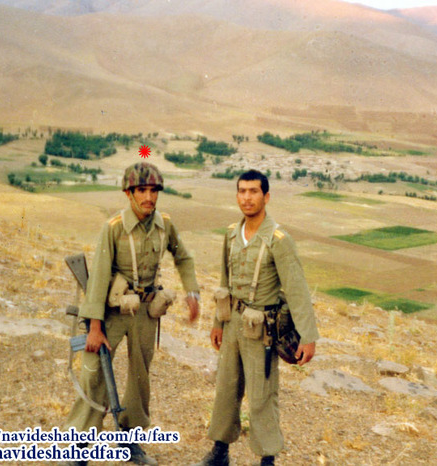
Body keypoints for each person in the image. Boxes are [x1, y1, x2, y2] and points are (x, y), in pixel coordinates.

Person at [63, 162, 200, 466]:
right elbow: (99, 278)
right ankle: (79, 445)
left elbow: (184, 257)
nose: (148, 197)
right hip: (112, 312)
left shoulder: (165, 225)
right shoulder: (114, 228)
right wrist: (95, 327)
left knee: (140, 378)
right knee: (95, 373)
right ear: (129, 193)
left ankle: (130, 441)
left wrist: (192, 292)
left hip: (146, 312)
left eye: (153, 190)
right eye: (141, 190)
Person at [193, 169, 319, 466]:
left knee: (262, 396)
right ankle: (220, 451)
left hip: (261, 330)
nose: (247, 198)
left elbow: (297, 290)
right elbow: (225, 281)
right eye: (242, 191)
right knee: (226, 389)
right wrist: (217, 322)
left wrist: (308, 337)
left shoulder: (279, 240)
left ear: (266, 197)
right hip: (232, 324)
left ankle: (267, 459)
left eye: (253, 191)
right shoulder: (231, 234)